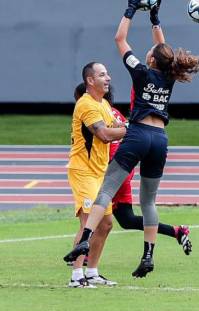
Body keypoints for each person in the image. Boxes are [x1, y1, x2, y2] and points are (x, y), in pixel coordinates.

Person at [63, 0, 199, 277]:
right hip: (160, 139)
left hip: (137, 133)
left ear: (150, 59)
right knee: (148, 202)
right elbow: (166, 52)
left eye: (151, 51)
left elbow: (120, 38)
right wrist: (155, 19)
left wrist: (130, 9)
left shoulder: (141, 71)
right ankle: (148, 255)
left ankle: (85, 239)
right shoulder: (169, 75)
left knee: (106, 189)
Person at [72, 83, 193, 256]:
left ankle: (81, 257)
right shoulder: (114, 113)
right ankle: (176, 231)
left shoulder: (95, 112)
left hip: (109, 171)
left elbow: (105, 137)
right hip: (124, 170)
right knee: (126, 219)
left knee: (90, 215)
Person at [67, 62, 127, 287]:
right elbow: (104, 134)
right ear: (90, 80)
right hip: (84, 171)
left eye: (108, 74)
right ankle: (76, 275)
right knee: (88, 223)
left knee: (105, 224)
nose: (108, 78)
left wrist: (124, 127)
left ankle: (92, 271)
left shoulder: (103, 104)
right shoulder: (86, 104)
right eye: (102, 74)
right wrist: (128, 129)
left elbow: (116, 126)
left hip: (100, 172)